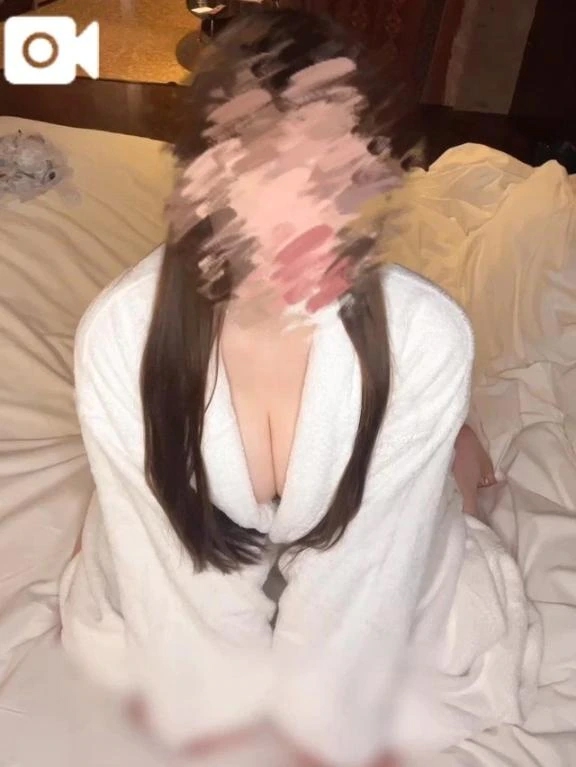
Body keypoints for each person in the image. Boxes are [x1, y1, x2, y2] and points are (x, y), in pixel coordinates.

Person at [60, 9, 538, 767]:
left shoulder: (423, 340)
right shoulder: (123, 338)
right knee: (121, 594)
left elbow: (366, 591)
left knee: (447, 554)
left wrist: (314, 731)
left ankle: (455, 454)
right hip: (199, 523)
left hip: (376, 509)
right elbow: (179, 604)